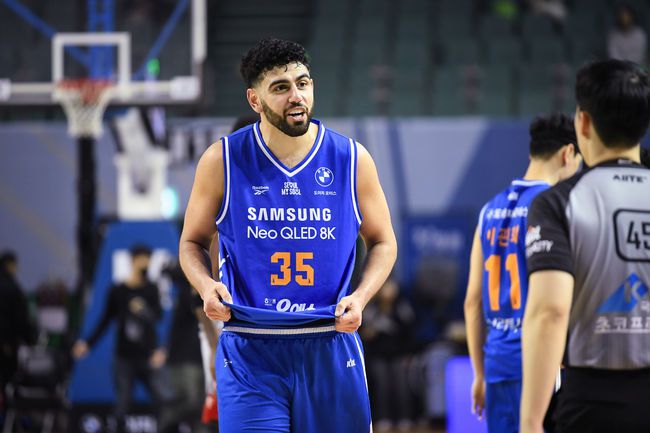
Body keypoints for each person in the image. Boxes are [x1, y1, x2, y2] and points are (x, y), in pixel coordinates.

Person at [179, 38, 397, 433]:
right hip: (251, 344)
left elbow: (383, 241)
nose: (296, 96)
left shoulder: (351, 159)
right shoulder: (220, 160)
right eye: (281, 87)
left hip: (329, 337)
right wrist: (206, 286)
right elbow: (191, 242)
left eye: (303, 83)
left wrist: (361, 296)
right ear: (255, 100)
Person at [520, 59, 650, 433]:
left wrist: (530, 420)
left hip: (592, 401)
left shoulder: (557, 202)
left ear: (584, 122)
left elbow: (549, 313)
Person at [464, 113, 582, 433]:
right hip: (541, 361)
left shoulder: (489, 210)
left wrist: (479, 374)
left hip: (497, 364)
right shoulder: (556, 206)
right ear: (568, 154)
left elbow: (473, 302)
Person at [72, 244, 172, 433]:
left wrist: (144, 311)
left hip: (148, 356)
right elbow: (105, 320)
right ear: (133, 260)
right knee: (123, 403)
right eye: (143, 259)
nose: (146, 264)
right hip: (124, 357)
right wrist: (87, 343)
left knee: (162, 398)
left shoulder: (151, 289)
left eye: (149, 260)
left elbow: (158, 317)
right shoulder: (118, 291)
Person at [0, 251, 34, 417]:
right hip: (7, 345)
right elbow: (20, 318)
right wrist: (30, 339)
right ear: (9, 265)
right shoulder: (12, 288)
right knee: (8, 382)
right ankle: (9, 418)